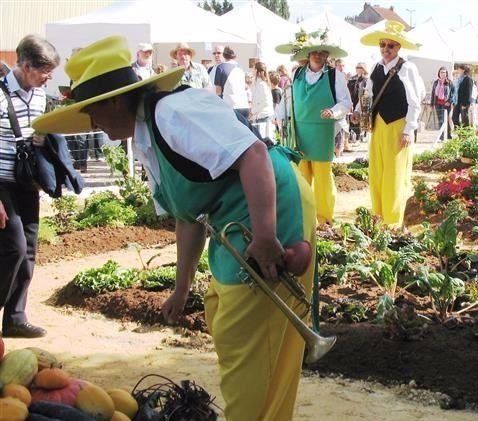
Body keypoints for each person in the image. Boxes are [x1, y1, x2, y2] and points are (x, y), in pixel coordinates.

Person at [32, 36, 316, 421]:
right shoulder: (148, 135)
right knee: (231, 323)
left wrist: (266, 236)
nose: (92, 123)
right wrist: (181, 288)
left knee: (249, 336)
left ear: (115, 100)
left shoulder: (173, 113)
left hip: (269, 206)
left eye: (92, 112)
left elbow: (253, 154)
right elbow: (188, 215)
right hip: (241, 214)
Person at [0, 35, 60, 338]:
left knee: (30, 249)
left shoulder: (39, 96)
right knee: (14, 247)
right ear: (25, 66)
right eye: (44, 70)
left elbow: (36, 136)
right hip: (1, 185)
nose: (49, 77)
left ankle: (15, 317)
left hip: (26, 183)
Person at [275, 30, 352, 225]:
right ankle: (302, 217)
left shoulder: (335, 75)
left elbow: (346, 103)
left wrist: (333, 112)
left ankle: (325, 219)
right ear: (308, 55)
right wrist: (280, 120)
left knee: (323, 179)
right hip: (300, 133)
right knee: (300, 177)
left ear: (327, 56)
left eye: (322, 52)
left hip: (322, 132)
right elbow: (288, 100)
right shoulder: (297, 73)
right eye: (314, 52)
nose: (318, 55)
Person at [356, 21, 422, 227]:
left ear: (399, 47)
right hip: (377, 125)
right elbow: (368, 94)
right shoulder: (377, 68)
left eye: (390, 46)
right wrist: (359, 112)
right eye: (382, 45)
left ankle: (392, 222)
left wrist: (408, 129)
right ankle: (378, 216)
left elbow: (415, 101)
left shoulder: (407, 68)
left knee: (394, 175)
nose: (385, 49)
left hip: (397, 126)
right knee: (376, 172)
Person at [214, 47, 250, 119]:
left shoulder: (221, 67)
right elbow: (245, 86)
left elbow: (218, 90)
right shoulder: (240, 67)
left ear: (224, 56)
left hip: (230, 105)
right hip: (244, 105)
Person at [250, 62, 274, 139]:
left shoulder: (262, 85)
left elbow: (265, 101)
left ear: (257, 71)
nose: (252, 71)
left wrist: (253, 111)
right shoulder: (259, 83)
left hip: (263, 115)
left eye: (253, 69)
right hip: (261, 115)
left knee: (264, 140)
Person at [430, 66, 454, 140]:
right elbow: (433, 93)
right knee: (440, 120)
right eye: (441, 72)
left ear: (446, 73)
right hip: (438, 103)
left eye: (444, 72)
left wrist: (450, 101)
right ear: (439, 73)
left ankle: (448, 135)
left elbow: (454, 93)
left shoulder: (449, 82)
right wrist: (432, 104)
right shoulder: (436, 82)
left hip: (446, 104)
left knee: (445, 120)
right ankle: (442, 135)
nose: (442, 74)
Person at [347, 62, 369, 142]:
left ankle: (361, 136)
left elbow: (366, 93)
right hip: (353, 100)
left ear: (364, 69)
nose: (358, 69)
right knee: (352, 118)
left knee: (362, 118)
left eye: (360, 67)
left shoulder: (367, 80)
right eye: (357, 67)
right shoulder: (352, 78)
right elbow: (347, 89)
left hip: (363, 101)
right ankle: (352, 136)